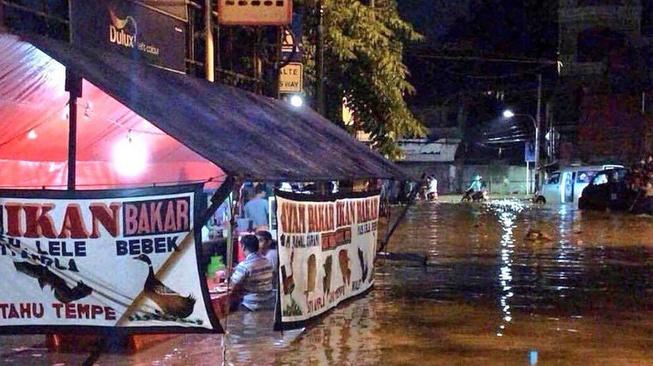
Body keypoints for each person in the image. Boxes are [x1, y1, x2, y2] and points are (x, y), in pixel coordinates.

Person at [229, 235, 275, 311]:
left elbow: (232, 286)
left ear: (243, 247)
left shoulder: (244, 265)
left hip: (251, 305)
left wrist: (230, 276)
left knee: (231, 307)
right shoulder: (267, 261)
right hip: (269, 303)